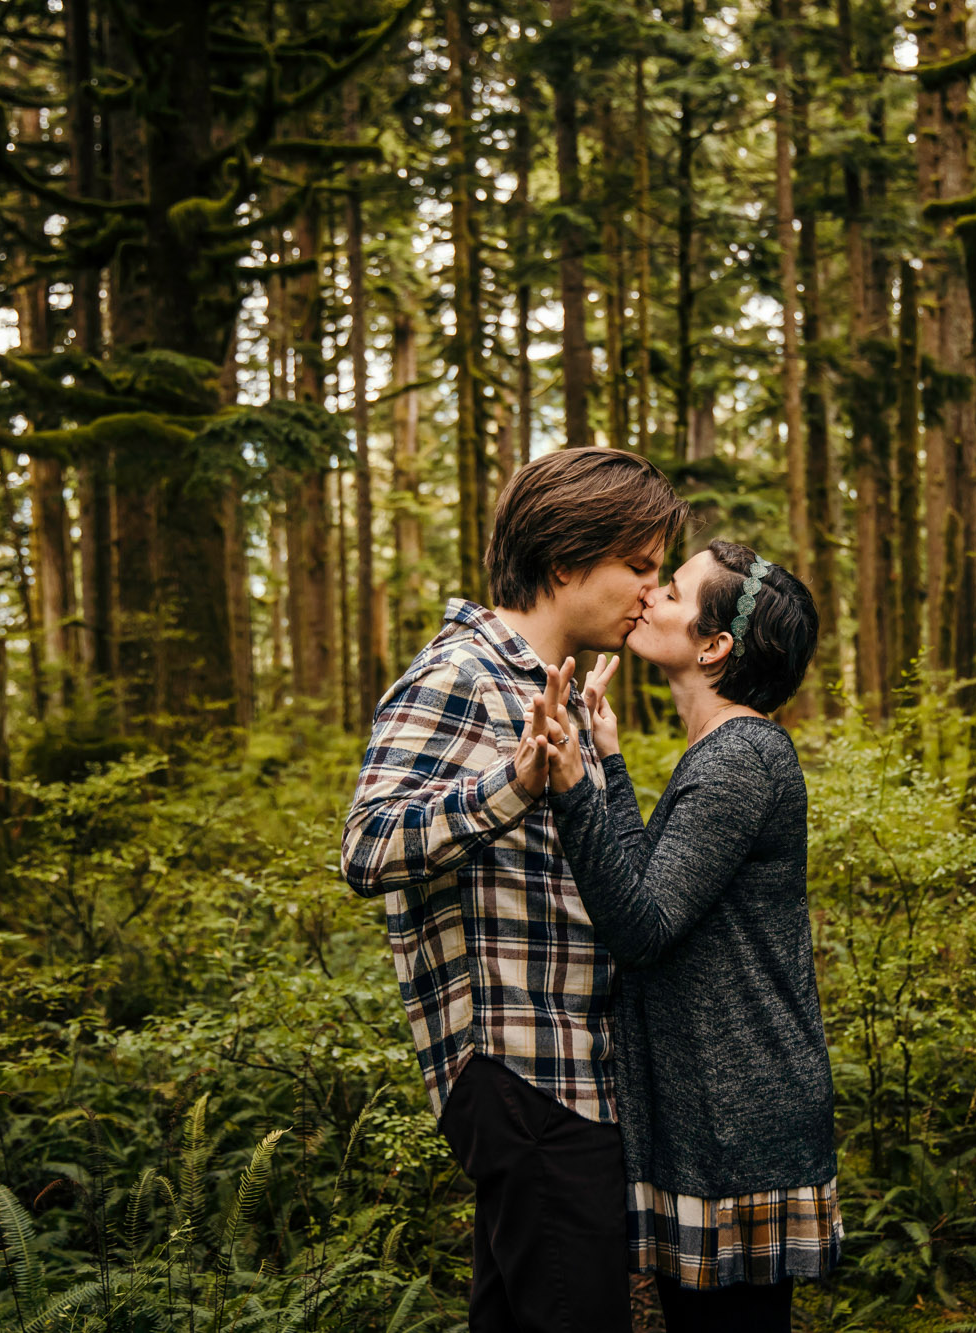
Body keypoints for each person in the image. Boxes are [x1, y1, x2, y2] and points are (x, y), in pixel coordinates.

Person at [340, 447, 688, 1333]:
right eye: (638, 567)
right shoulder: (463, 673)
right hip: (523, 1070)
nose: (652, 592)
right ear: (568, 560)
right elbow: (367, 842)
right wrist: (516, 786)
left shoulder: (552, 693)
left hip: (572, 1069)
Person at [524, 539, 839, 1333]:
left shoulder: (742, 756)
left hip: (737, 1123)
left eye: (674, 591)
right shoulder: (720, 752)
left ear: (714, 644)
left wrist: (570, 791)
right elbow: (647, 887)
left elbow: (641, 928)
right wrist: (609, 760)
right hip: (705, 1116)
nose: (651, 594)